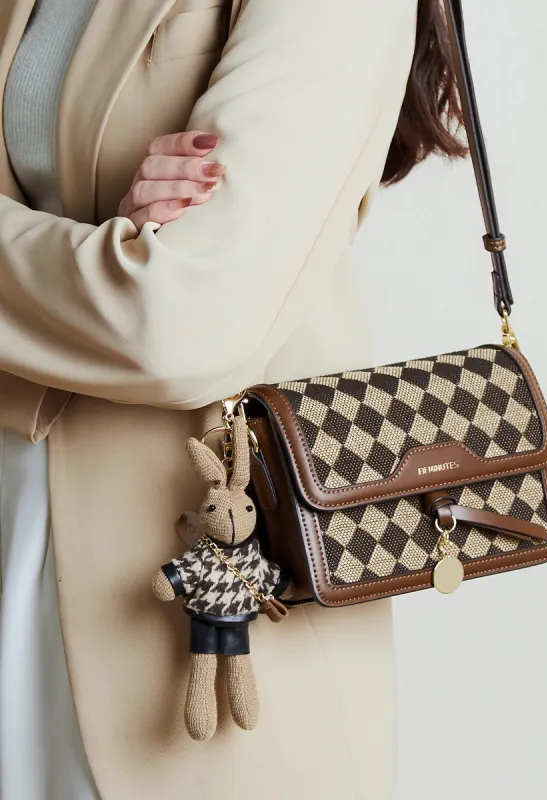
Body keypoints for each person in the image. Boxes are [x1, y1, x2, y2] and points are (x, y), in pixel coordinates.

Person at [0, 0, 468, 798]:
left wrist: (108, 261)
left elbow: (182, 322)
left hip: (210, 616)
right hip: (18, 532)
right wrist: (110, 246)